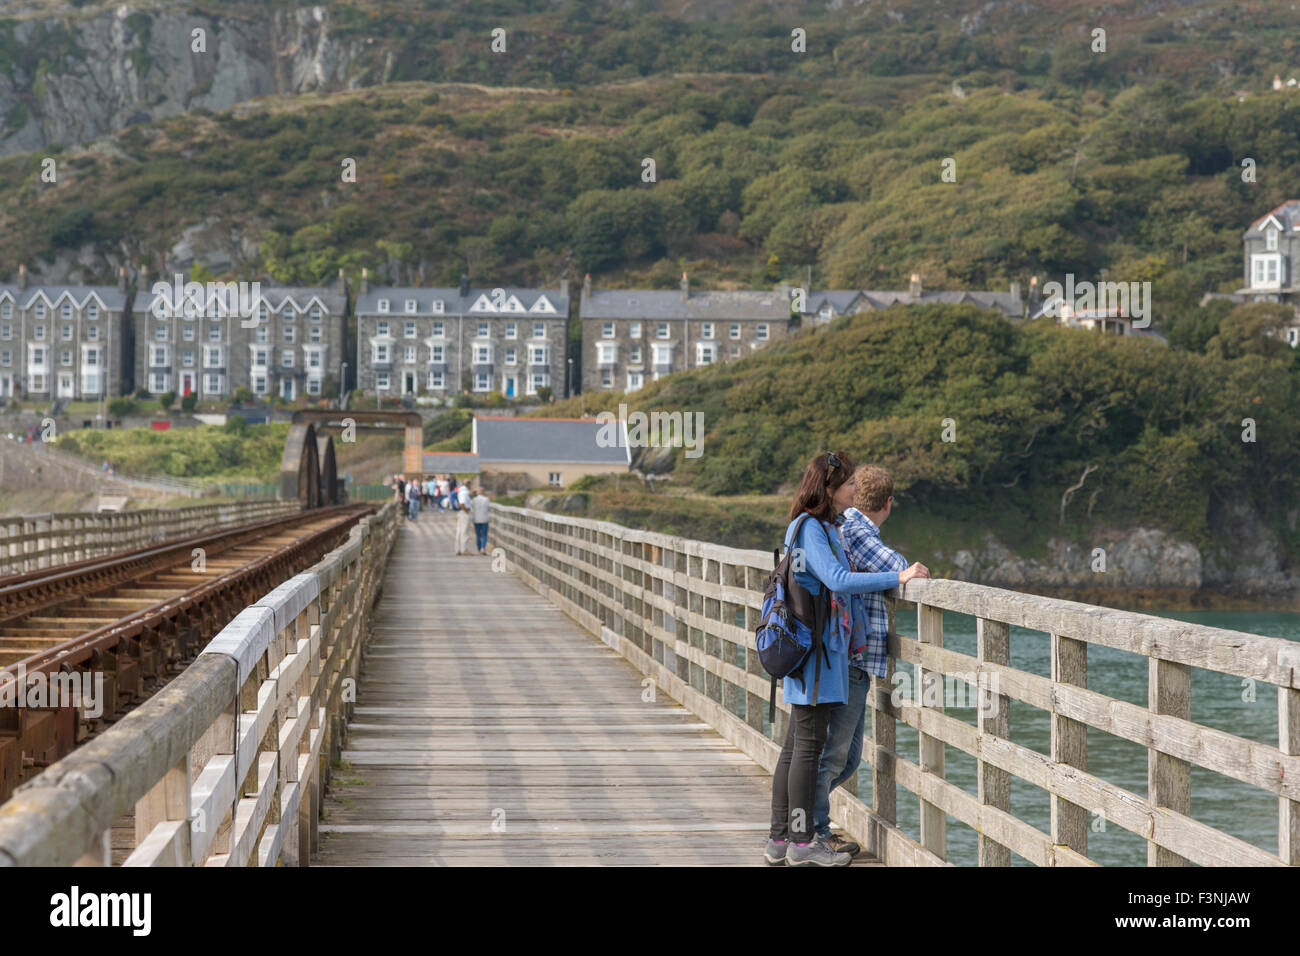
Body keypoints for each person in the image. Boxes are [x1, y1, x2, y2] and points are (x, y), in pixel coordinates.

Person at [765, 451, 929, 868]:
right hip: (815, 654)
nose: (857, 489)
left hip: (818, 651)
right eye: (850, 483)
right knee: (807, 749)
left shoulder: (825, 527)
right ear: (830, 489)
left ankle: (781, 839)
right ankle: (803, 843)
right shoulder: (810, 529)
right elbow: (836, 580)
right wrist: (899, 576)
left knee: (796, 748)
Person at [810, 464, 927, 858]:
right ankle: (811, 830)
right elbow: (904, 570)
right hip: (852, 655)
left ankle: (807, 823)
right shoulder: (858, 530)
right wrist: (908, 572)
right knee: (836, 754)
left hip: (853, 656)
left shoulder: (844, 526)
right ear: (888, 504)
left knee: (847, 756)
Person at [454, 480, 473, 554]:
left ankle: (458, 549)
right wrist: (466, 510)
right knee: (464, 532)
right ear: (468, 485)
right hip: (464, 513)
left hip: (461, 512)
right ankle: (464, 549)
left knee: (459, 531)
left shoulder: (461, 491)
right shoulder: (464, 492)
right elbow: (461, 503)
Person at [470, 486, 491, 554]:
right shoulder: (486, 499)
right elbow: (488, 508)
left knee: (478, 535)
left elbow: (471, 507)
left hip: (476, 519)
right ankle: (483, 548)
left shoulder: (474, 499)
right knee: (484, 534)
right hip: (485, 519)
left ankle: (479, 549)